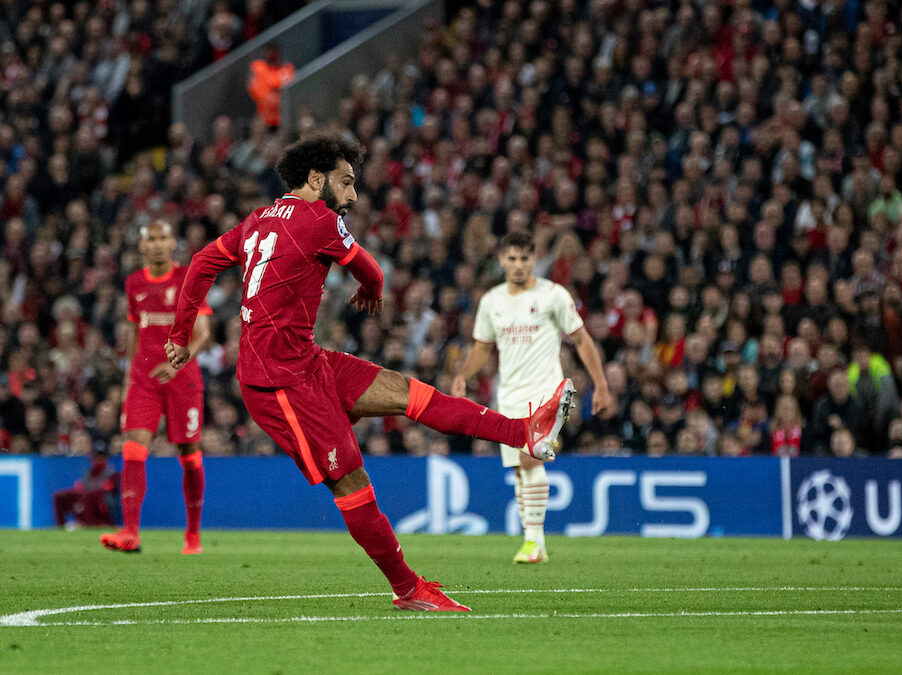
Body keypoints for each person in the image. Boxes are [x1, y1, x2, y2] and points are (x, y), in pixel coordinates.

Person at [165, 133, 573, 612]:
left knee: (409, 393)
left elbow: (199, 262)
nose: (354, 195)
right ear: (317, 179)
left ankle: (525, 432)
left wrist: (179, 335)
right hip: (279, 382)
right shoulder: (319, 218)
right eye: (346, 182)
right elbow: (373, 272)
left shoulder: (256, 220)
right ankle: (407, 589)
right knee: (351, 481)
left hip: (308, 361)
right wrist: (372, 292)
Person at [452, 230, 611, 564]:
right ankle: (535, 541)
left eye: (524, 258)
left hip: (546, 392)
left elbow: (581, 339)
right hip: (508, 395)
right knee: (520, 471)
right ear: (501, 260)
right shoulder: (491, 301)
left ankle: (533, 541)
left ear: (534, 259)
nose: (518, 265)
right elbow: (483, 347)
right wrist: (463, 376)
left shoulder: (553, 295)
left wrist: (601, 383)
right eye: (512, 258)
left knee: (529, 459)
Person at [100, 221, 213, 555]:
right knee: (133, 448)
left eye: (165, 237)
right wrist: (128, 381)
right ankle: (130, 532)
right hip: (143, 380)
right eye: (152, 239)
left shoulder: (188, 279)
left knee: (189, 455)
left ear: (173, 242)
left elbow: (203, 333)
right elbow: (136, 332)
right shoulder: (133, 283)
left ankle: (193, 536)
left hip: (183, 379)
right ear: (142, 247)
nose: (160, 244)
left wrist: (177, 360)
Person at [54, 448, 118, 529]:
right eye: (96, 458)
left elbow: (108, 488)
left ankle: (87, 523)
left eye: (101, 458)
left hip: (104, 500)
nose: (98, 460)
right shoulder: (89, 472)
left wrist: (90, 490)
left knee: (88, 496)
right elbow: (81, 486)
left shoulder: (111, 472)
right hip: (86, 497)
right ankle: (61, 525)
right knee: (60, 496)